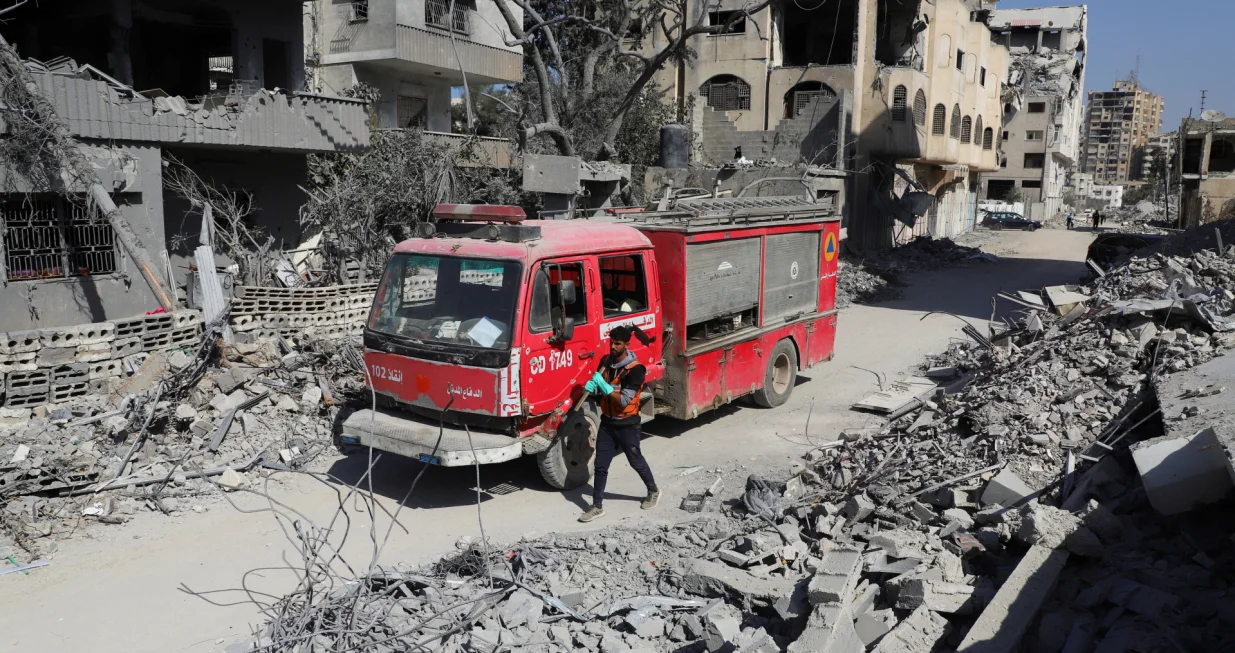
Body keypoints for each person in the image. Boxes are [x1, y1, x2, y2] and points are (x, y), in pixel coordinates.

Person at [578, 325, 659, 522]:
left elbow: (623, 400)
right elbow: (600, 397)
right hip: (607, 423)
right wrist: (593, 389)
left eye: (617, 343)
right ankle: (597, 506)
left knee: (635, 460)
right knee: (600, 465)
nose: (613, 347)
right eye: (611, 342)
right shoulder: (605, 362)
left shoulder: (636, 370)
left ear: (626, 344)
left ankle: (653, 490)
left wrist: (604, 387)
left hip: (628, 425)